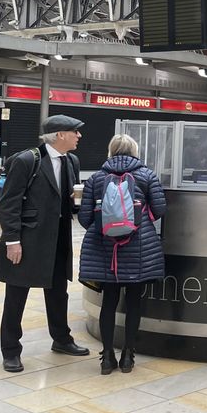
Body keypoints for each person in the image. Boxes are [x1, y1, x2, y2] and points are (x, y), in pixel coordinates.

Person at [0, 115, 91, 373]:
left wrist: (76, 201)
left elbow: (66, 201)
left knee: (59, 292)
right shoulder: (27, 160)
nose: (79, 136)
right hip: (27, 239)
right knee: (16, 296)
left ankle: (61, 339)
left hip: (58, 239)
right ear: (59, 135)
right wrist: (12, 240)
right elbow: (9, 203)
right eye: (75, 132)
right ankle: (10, 350)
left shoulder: (72, 161)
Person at [78, 135, 167, 375]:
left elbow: (85, 218)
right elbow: (159, 210)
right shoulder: (147, 176)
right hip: (139, 247)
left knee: (109, 302)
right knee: (134, 302)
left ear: (111, 150)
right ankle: (128, 355)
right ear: (134, 150)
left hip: (105, 249)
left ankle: (107, 357)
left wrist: (106, 227)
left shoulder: (96, 178)